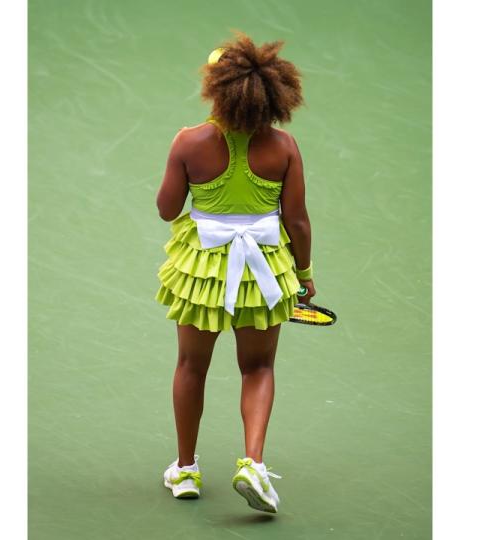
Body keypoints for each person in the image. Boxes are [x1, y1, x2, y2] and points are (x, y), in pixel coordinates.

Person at [154, 33, 315, 514]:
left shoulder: (189, 141)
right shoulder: (283, 146)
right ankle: (253, 463)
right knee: (259, 368)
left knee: (190, 366)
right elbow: (298, 220)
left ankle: (185, 470)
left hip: (202, 272)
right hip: (263, 273)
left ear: (219, 90)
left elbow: (166, 209)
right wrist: (304, 274)